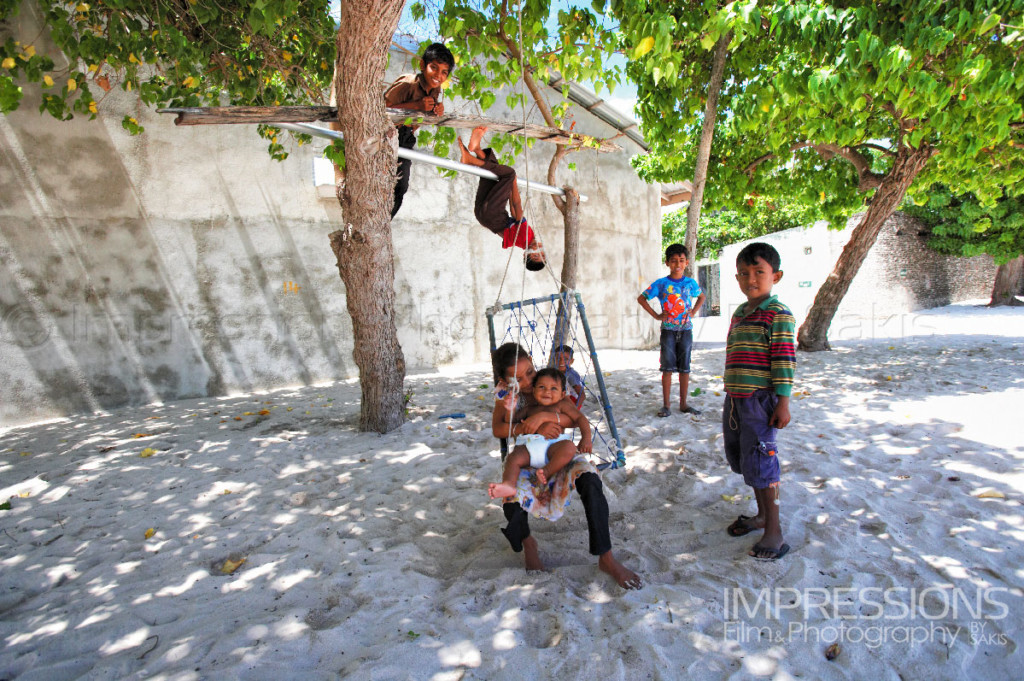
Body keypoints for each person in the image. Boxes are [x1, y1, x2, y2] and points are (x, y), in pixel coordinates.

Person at [489, 343, 641, 589]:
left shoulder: (550, 379)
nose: (528, 381)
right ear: (504, 380)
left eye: (529, 372)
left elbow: (574, 417)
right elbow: (498, 428)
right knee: (511, 491)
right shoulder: (506, 395)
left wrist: (546, 417)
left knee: (591, 481)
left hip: (560, 452)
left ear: (531, 360)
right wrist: (526, 425)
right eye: (517, 378)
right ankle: (529, 544)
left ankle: (606, 557)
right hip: (529, 455)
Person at [722, 242, 796, 560]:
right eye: (743, 273)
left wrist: (783, 403)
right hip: (736, 401)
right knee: (747, 461)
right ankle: (762, 516)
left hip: (760, 402)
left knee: (765, 463)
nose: (750, 279)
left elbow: (783, 361)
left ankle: (774, 532)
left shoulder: (779, 314)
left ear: (775, 276)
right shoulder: (740, 313)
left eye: (759, 272)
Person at [488, 367, 591, 497]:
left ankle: (546, 472)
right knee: (513, 458)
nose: (547, 391)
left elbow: (580, 418)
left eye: (554, 388)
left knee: (569, 447)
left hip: (554, 447)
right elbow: (511, 422)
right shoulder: (529, 409)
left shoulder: (561, 406)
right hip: (529, 448)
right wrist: (510, 408)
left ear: (563, 394)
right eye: (542, 387)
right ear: (533, 390)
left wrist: (586, 438)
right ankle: (509, 484)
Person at [457, 126, 546, 271]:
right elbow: (512, 208)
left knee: (509, 173)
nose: (539, 251)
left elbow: (516, 205)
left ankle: (470, 159)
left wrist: (513, 182)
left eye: (535, 256)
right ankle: (477, 150)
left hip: (494, 215)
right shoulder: (524, 240)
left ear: (526, 255)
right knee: (492, 173)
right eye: (542, 254)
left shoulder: (526, 237)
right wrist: (510, 188)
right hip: (485, 215)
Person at [384, 42, 455, 219]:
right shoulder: (408, 83)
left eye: (444, 72)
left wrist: (436, 110)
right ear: (423, 66)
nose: (438, 75)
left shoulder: (435, 89)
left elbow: (425, 112)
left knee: (401, 187)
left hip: (407, 137)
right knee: (383, 181)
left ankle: (384, 222)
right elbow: (381, 111)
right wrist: (416, 106)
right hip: (388, 135)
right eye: (434, 68)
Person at [637, 244, 706, 417]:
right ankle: (666, 405)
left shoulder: (690, 283)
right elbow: (642, 298)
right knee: (667, 368)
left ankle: (683, 404)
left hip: (686, 330)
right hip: (668, 330)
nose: (678, 264)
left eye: (681, 261)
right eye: (674, 260)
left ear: (687, 263)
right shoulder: (661, 284)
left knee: (685, 368)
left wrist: (694, 311)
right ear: (667, 262)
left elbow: (701, 296)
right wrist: (657, 316)